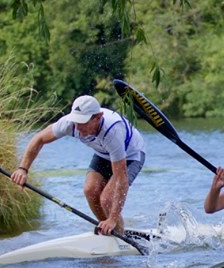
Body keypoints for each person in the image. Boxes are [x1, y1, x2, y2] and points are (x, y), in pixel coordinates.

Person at [11, 95, 146, 236]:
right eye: (76, 121)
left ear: (98, 117)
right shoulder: (69, 123)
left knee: (106, 199)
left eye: (83, 122)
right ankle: (108, 231)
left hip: (131, 155)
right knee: (90, 190)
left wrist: (112, 218)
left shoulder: (112, 131)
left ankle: (118, 232)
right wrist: (23, 169)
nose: (78, 127)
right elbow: (39, 139)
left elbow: (121, 178)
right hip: (103, 152)